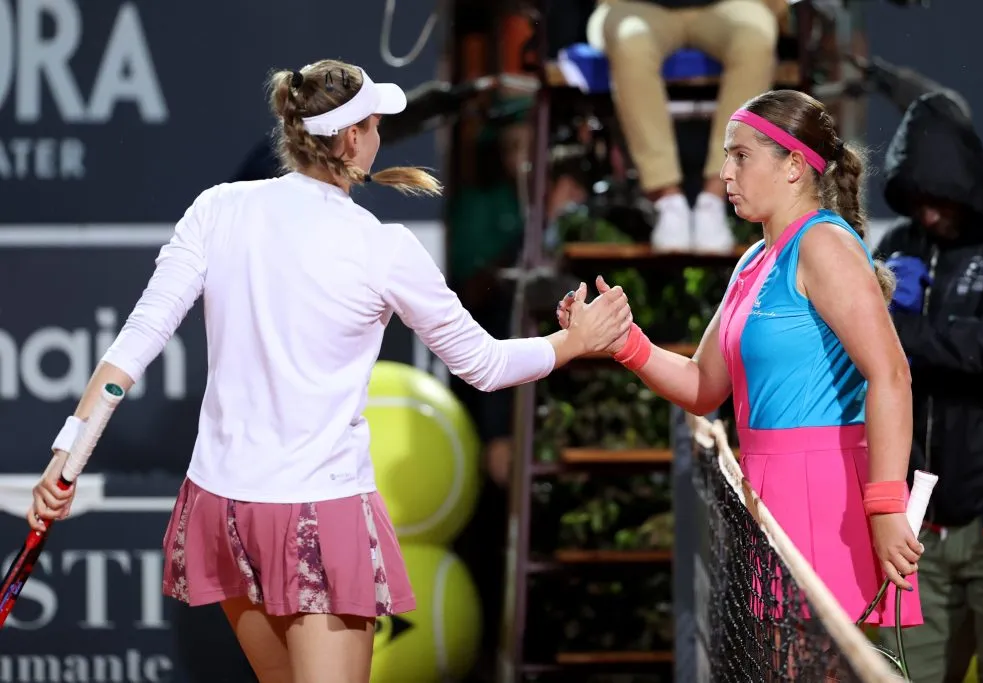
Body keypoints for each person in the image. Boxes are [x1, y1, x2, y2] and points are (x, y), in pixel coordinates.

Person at [27, 59, 633, 683]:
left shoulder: (216, 209)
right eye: (375, 125)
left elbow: (134, 345)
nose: (380, 137)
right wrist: (573, 342)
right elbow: (484, 364)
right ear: (351, 137)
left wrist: (68, 456)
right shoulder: (383, 248)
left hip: (224, 510)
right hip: (317, 512)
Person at [557, 89, 925, 629]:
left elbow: (890, 374)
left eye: (741, 156)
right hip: (771, 499)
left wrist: (887, 505)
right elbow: (703, 385)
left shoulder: (823, 245)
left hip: (830, 502)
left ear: (794, 166)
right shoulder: (755, 258)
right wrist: (622, 341)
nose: (725, 173)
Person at [873, 92, 983, 682]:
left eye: (938, 199)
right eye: (917, 202)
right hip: (915, 529)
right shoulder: (900, 246)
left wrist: (903, 329)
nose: (929, 216)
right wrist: (876, 303)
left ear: (967, 183)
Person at [586, 0, 789, 252]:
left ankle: (716, 196)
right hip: (635, 6)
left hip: (725, 6)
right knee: (630, 40)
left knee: (756, 36)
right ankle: (668, 201)